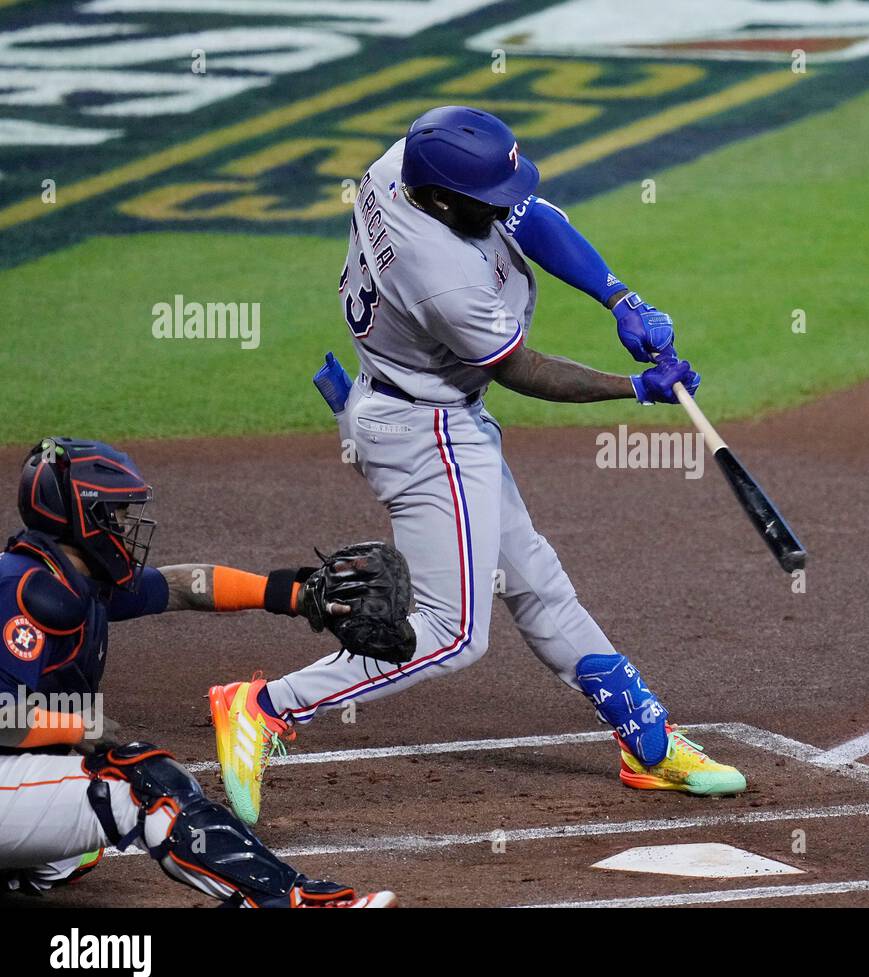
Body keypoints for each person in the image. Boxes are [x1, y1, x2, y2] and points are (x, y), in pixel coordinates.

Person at [211, 105, 745, 826]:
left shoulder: (406, 164)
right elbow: (521, 370)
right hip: (425, 433)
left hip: (419, 409)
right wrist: (635, 388)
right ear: (440, 200)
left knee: (533, 579)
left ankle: (646, 743)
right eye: (484, 201)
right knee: (453, 632)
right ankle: (265, 707)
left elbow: (528, 214)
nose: (501, 206)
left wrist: (618, 294)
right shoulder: (441, 277)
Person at [0, 437, 395, 907]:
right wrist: (76, 725)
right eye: (119, 513)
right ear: (85, 518)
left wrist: (295, 596)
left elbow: (183, 586)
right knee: (141, 786)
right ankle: (292, 901)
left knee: (77, 845)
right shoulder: (23, 592)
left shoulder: (72, 578)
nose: (130, 526)